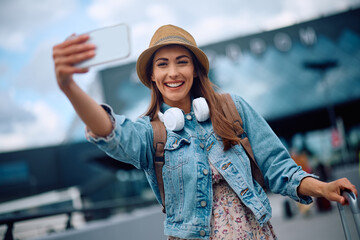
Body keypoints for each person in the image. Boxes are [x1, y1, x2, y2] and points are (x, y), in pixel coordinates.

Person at [53, 24, 358, 239]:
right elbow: (111, 131)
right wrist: (69, 87)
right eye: (162, 65)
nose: (173, 72)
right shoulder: (152, 134)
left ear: (196, 69)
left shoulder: (232, 108)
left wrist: (322, 188)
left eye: (181, 62)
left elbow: (278, 167)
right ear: (153, 77)